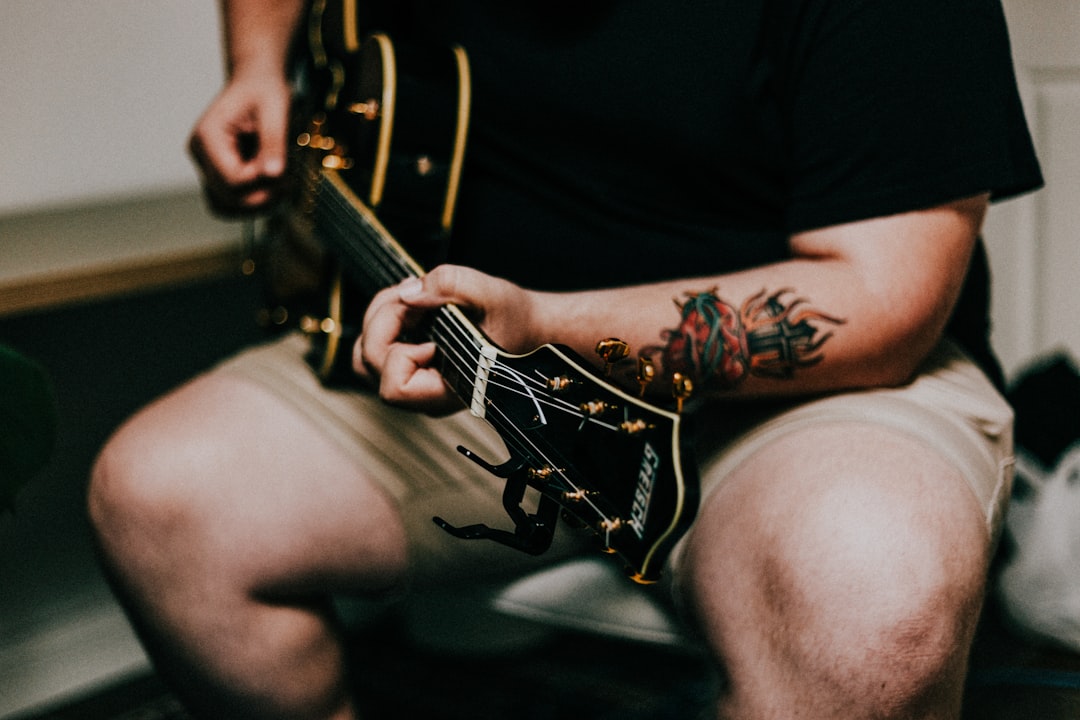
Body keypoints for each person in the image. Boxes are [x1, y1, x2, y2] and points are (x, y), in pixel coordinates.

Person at [88, 0, 1043, 718]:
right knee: (159, 499)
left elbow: (877, 305)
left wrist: (546, 320)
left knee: (869, 592)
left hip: (800, 397)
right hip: (478, 377)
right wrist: (256, 65)